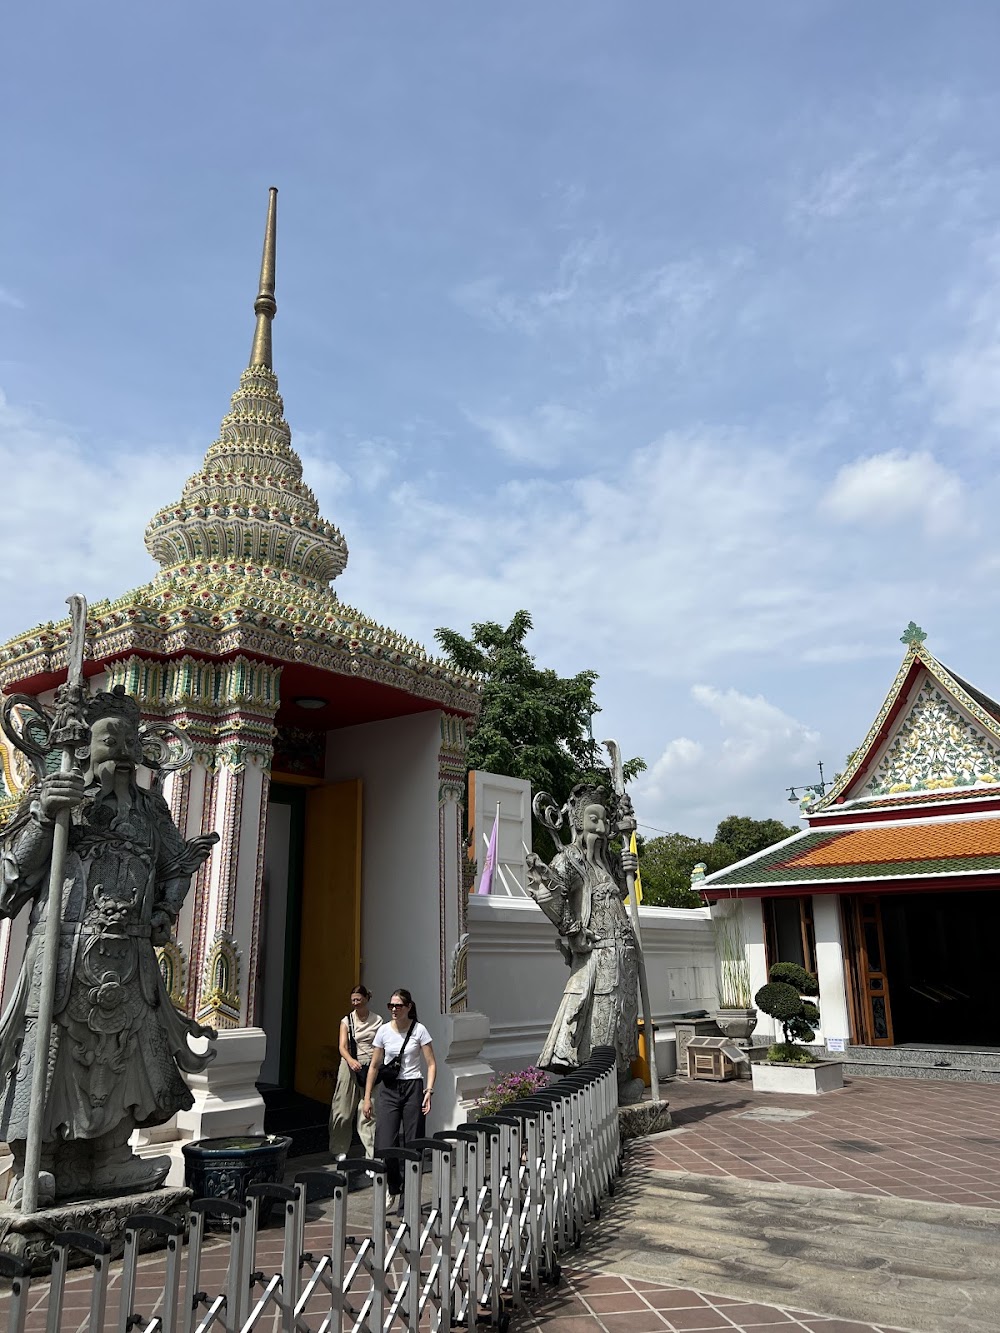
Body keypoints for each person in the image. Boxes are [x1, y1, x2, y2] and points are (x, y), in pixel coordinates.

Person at [0, 685, 218, 1204]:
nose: (120, 752)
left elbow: (176, 865)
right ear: (82, 748)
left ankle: (112, 1155)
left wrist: (165, 910)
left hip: (130, 960)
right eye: (108, 740)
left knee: (128, 1057)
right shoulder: (56, 800)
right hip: (65, 953)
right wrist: (44, 816)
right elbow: (9, 882)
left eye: (128, 742)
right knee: (51, 1052)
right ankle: (37, 1161)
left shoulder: (149, 810)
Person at [526, 784, 643, 1103]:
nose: (602, 828)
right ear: (578, 822)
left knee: (622, 1017)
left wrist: (627, 873)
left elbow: (620, 892)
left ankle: (618, 1081)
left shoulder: (605, 862)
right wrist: (570, 925)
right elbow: (555, 899)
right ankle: (595, 1083)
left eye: (604, 821)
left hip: (623, 956)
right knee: (597, 1019)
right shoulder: (570, 859)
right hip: (597, 955)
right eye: (594, 820)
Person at [363, 988, 436, 1208]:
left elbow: (431, 1063)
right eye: (391, 1006)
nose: (394, 1010)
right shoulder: (384, 1031)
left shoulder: (419, 1030)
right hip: (389, 1090)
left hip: (413, 1086)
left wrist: (428, 1092)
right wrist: (367, 1097)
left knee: (413, 1143)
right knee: (385, 1143)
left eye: (398, 1006)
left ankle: (410, 1196)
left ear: (408, 1007)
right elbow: (374, 1066)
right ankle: (394, 1185)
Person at [328, 984, 382, 1159]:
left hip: (371, 1065)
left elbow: (380, 1045)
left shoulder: (377, 1020)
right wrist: (351, 1061)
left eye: (359, 999)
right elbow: (342, 1046)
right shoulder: (347, 1021)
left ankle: (371, 1152)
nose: (356, 1003)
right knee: (342, 1110)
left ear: (366, 998)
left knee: (368, 1110)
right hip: (350, 1065)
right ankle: (339, 1147)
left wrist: (376, 1062)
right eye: (353, 1000)